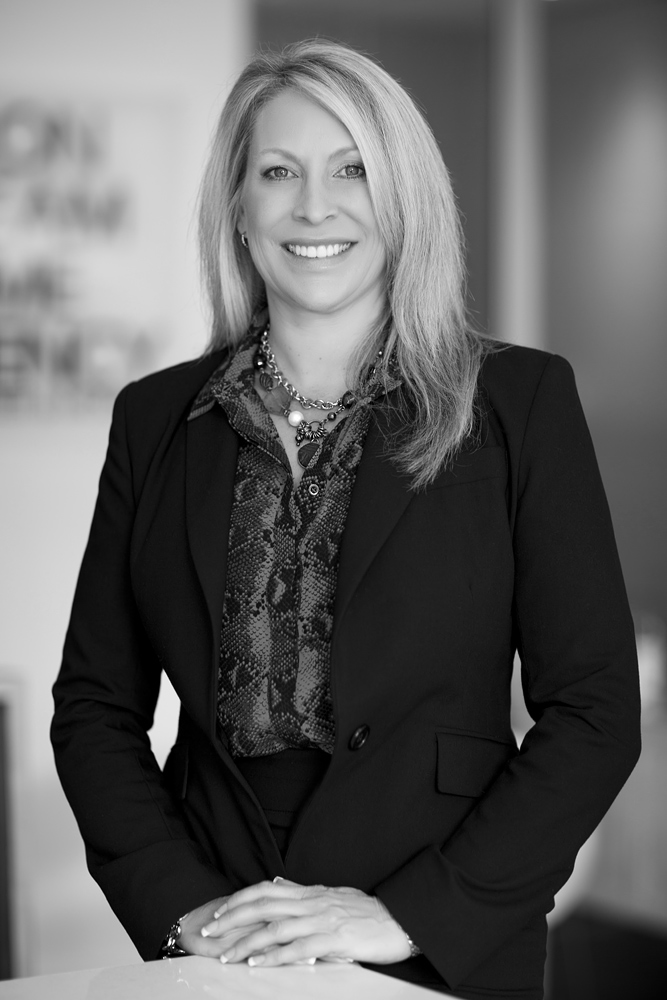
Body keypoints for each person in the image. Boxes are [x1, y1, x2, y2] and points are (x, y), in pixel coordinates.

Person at [51, 39, 641, 1000]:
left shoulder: (520, 402)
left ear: (403, 202)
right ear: (238, 209)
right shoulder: (154, 420)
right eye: (277, 172)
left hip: (439, 942)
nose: (313, 206)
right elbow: (94, 710)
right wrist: (180, 908)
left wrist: (411, 913)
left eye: (353, 169)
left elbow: (596, 713)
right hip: (219, 945)